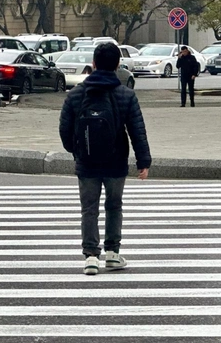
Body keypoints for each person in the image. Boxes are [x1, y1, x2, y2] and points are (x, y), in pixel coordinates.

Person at [59, 42, 152, 275]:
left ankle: (91, 256)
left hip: (86, 162)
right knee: (114, 205)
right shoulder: (126, 94)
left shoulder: (76, 94)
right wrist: (144, 162)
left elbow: (65, 129)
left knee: (88, 208)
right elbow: (136, 130)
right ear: (118, 64)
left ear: (93, 63)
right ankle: (112, 253)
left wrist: (76, 150)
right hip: (116, 161)